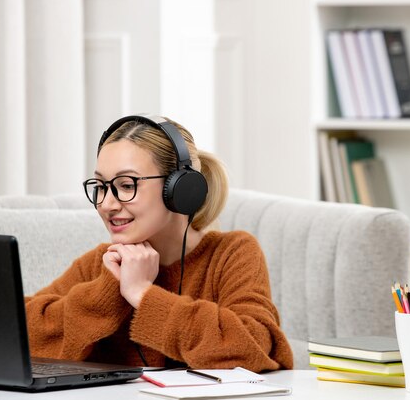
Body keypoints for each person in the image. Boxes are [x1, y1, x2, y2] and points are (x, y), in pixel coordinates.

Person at [25, 115, 293, 372]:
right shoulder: (104, 264)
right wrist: (106, 292)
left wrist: (142, 293)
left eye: (126, 185)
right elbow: (19, 332)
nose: (106, 204)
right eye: (101, 186)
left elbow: (255, 346)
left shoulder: (231, 254)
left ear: (179, 188)